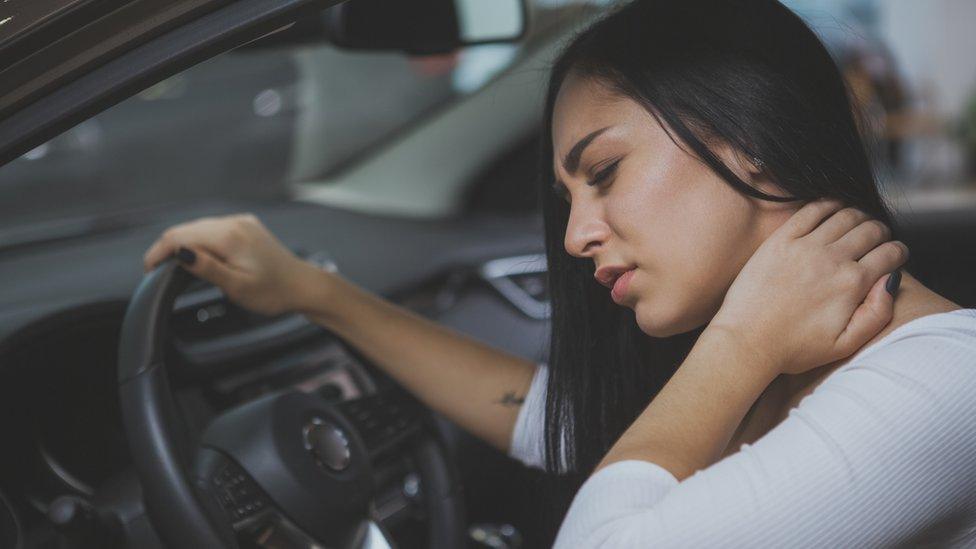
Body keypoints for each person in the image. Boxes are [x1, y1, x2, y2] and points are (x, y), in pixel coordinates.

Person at [144, 0, 976, 546]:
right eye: (567, 196)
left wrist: (740, 341)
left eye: (604, 171)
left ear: (750, 136)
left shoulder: (942, 379)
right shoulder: (786, 358)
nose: (577, 235)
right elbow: (557, 418)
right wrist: (312, 291)